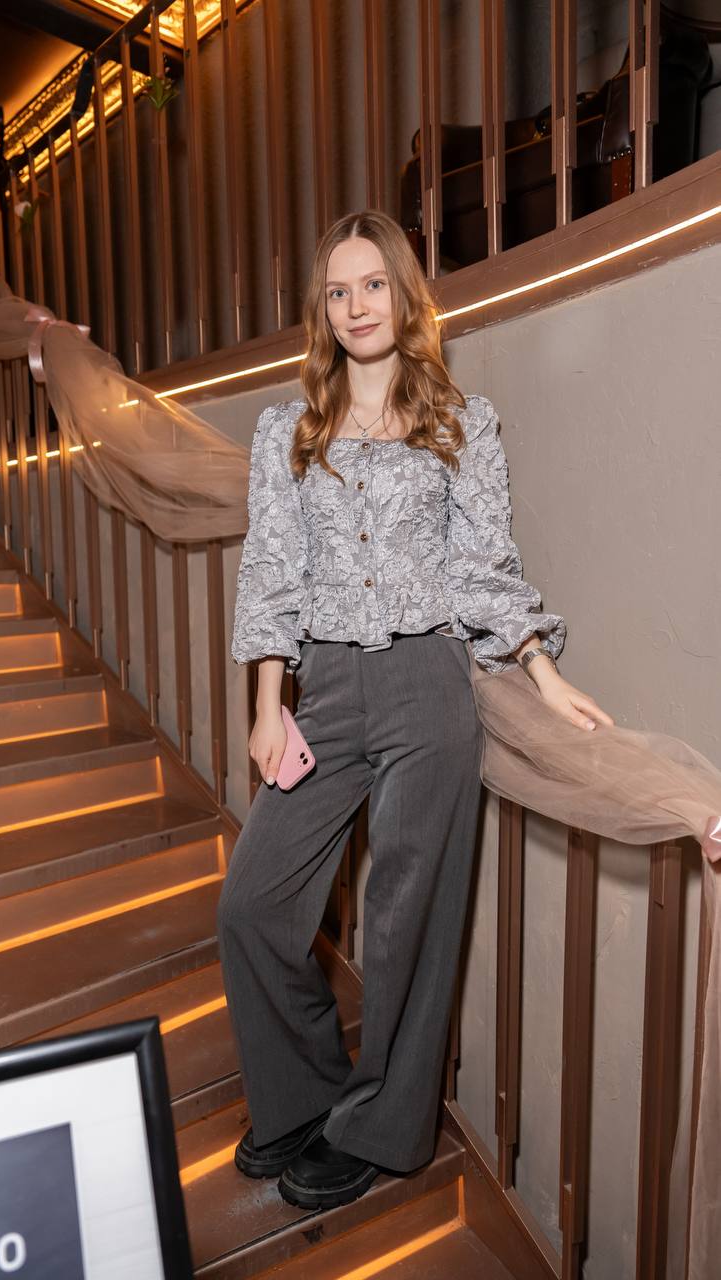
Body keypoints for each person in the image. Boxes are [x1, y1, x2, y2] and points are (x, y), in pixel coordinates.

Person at [217, 208, 614, 1212]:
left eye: (373, 285)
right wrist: (267, 704)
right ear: (322, 309)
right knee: (252, 903)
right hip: (325, 688)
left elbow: (482, 567)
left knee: (405, 923)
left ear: (403, 294)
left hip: (428, 686)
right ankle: (302, 1094)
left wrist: (541, 670)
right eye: (337, 290)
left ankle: (380, 1128)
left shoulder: (459, 422)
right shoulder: (287, 430)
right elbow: (272, 571)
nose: (356, 306)